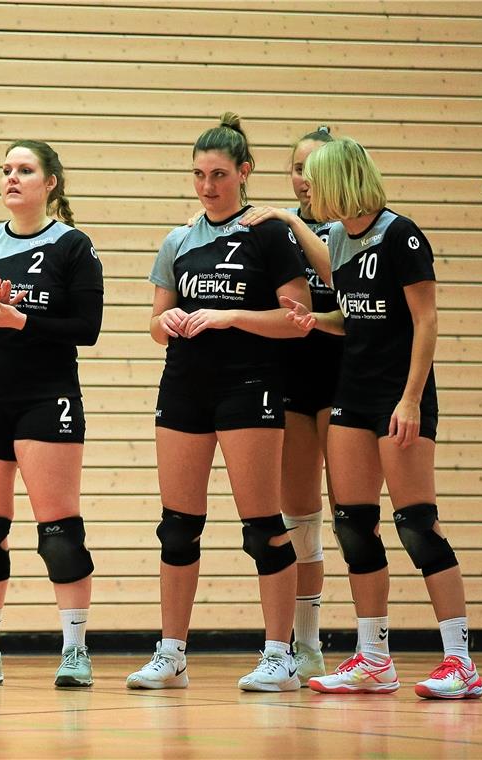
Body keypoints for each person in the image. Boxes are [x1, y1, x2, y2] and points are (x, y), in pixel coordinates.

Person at [281, 136, 482, 699]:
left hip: (401, 398)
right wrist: (314, 321)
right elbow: (356, 318)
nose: (308, 188)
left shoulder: (401, 234)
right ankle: (374, 659)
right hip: (354, 395)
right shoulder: (344, 238)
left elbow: (426, 320)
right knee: (354, 527)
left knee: (417, 524)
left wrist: (412, 398)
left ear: (342, 177)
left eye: (315, 178)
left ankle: (460, 661)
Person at [125, 113, 310, 693]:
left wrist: (231, 316)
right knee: (178, 527)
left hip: (247, 385)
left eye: (219, 175)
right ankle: (172, 653)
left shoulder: (268, 233)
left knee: (261, 526)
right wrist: (168, 320)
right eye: (199, 175)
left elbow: (298, 320)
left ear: (245, 173)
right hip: (183, 386)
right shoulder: (179, 239)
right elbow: (154, 325)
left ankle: (281, 654)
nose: (207, 186)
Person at [0, 140, 103, 688]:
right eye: (6, 170)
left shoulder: (72, 246)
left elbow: (87, 328)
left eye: (25, 170)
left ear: (50, 182)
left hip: (45, 397)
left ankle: (75, 650)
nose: (12, 178)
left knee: (58, 532)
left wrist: (20, 319)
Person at [235, 126, 339, 681]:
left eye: (316, 168)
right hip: (291, 377)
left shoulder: (352, 224)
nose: (305, 179)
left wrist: (293, 220)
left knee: (356, 515)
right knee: (301, 518)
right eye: (299, 168)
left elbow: (333, 274)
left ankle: (374, 644)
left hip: (346, 374)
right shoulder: (266, 227)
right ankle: (307, 645)